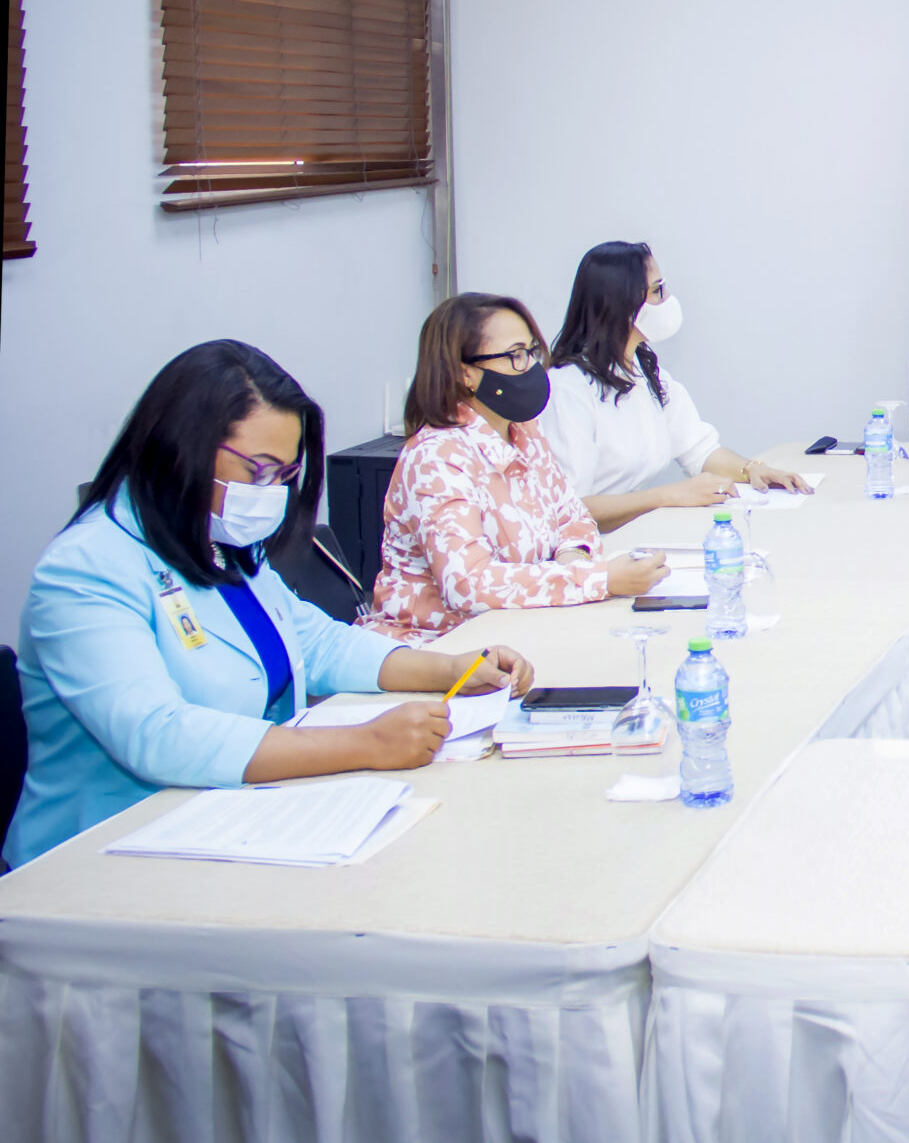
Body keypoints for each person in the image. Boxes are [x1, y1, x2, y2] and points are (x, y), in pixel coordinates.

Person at [4, 342, 535, 868]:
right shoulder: (86, 568)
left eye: (283, 477)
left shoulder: (221, 542)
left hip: (231, 820)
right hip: (98, 860)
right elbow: (156, 734)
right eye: (257, 471)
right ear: (180, 447)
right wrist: (368, 743)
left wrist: (449, 668)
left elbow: (318, 642)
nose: (269, 494)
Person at [365, 294, 666, 644]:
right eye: (515, 356)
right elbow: (468, 585)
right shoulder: (436, 458)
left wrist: (572, 562)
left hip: (522, 631)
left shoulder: (524, 432)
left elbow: (574, 517)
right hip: (439, 649)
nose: (531, 368)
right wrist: (598, 580)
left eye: (531, 351)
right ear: (466, 374)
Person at [544, 241, 809, 532]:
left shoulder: (645, 372)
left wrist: (753, 470)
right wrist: (668, 496)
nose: (668, 299)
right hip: (590, 550)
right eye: (657, 291)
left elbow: (699, 449)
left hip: (636, 533)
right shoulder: (568, 387)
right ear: (620, 303)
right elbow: (571, 508)